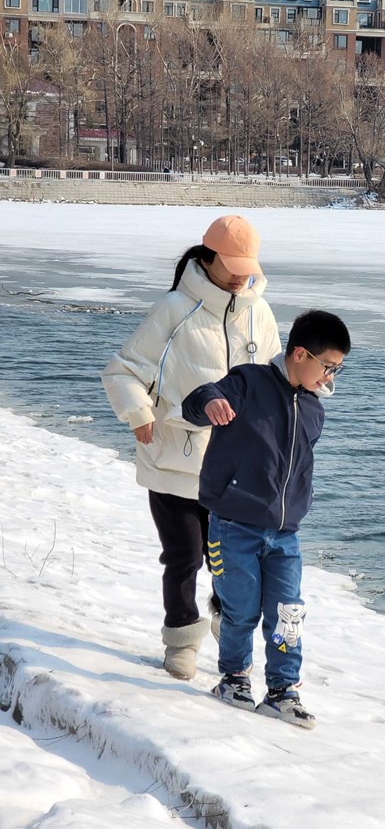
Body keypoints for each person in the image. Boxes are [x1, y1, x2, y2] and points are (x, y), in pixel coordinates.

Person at [102, 215, 281, 680]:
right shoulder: (174, 309)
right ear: (209, 257)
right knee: (184, 556)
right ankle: (181, 639)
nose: (240, 276)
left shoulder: (259, 312)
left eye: (246, 267)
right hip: (174, 459)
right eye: (232, 265)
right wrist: (139, 414)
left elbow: (274, 382)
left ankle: (228, 623)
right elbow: (123, 371)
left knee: (231, 560)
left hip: (234, 468)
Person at [181, 310, 351, 729]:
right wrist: (210, 402)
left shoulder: (313, 409)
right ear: (300, 354)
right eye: (328, 366)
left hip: (285, 534)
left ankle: (282, 691)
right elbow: (197, 400)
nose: (330, 377)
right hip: (232, 526)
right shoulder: (249, 382)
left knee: (287, 613)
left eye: (337, 369)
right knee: (240, 609)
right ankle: (234, 678)